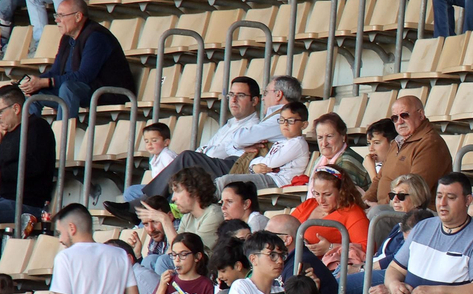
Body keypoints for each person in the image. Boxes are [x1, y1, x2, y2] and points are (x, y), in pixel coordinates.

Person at [107, 76, 298, 215]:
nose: (233, 100)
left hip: (233, 165)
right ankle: (148, 209)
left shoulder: (275, 120)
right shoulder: (232, 124)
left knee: (187, 158)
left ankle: (144, 207)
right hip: (219, 162)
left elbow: (238, 144)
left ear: (277, 95)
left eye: (240, 95)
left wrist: (236, 144)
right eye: (231, 95)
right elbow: (218, 147)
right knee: (134, 190)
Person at [19, 0, 131, 120]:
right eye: (56, 15)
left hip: (108, 92)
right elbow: (55, 72)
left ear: (78, 17)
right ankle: (32, 135)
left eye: (61, 15)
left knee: (68, 88)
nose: (57, 20)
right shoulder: (67, 38)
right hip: (79, 91)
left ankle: (62, 136)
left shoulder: (96, 37)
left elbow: (84, 77)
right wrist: (32, 84)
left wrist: (46, 82)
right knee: (33, 95)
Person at [0, 84, 56, 225]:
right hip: (2, 200)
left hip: (26, 203)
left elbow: (29, 168)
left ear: (16, 108)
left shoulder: (38, 127)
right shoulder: (9, 134)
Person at [364, 96, 450, 206]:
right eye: (395, 118)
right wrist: (364, 203)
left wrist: (380, 207)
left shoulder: (430, 143)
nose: (399, 121)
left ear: (420, 115)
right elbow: (379, 179)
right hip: (387, 209)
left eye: (404, 115)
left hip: (414, 213)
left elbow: (414, 190)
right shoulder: (397, 142)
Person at [216, 99, 312, 193]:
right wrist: (254, 166)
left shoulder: (298, 143)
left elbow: (269, 163)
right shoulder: (280, 143)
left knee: (225, 182)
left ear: (304, 125)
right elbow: (261, 161)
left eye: (291, 120)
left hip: (278, 182)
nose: (285, 124)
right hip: (268, 178)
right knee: (223, 183)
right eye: (282, 120)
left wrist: (256, 165)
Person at [290, 166, 368, 272]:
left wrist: (330, 247)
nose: (321, 200)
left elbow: (367, 250)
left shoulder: (353, 213)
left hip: (323, 271)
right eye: (316, 193)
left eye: (327, 194)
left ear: (341, 191)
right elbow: (286, 226)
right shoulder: (308, 204)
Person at [303, 111, 369, 194]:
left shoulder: (346, 162)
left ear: (343, 137)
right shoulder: (319, 161)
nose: (324, 143)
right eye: (320, 137)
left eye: (329, 136)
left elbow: (342, 200)